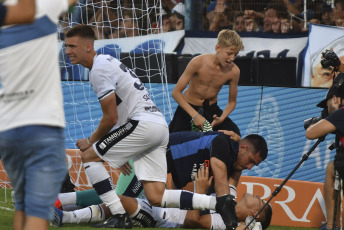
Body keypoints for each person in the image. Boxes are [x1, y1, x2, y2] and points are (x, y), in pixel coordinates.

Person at [64, 25, 243, 229]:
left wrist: (90, 141)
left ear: (88, 47)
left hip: (144, 125)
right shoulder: (109, 62)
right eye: (66, 46)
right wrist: (122, 147)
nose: (67, 51)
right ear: (218, 47)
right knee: (156, 195)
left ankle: (119, 215)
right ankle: (218, 202)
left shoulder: (98, 70)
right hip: (159, 124)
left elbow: (110, 117)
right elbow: (123, 110)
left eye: (72, 46)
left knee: (89, 157)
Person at [0, 0, 77, 230]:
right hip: (42, 126)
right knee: (37, 210)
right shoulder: (44, 7)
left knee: (23, 205)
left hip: (8, 128)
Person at [52, 167, 272, 230]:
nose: (259, 196)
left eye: (261, 202)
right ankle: (59, 201)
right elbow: (235, 170)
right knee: (115, 199)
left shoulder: (223, 223)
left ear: (254, 214)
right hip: (160, 201)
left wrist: (201, 190)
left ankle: (63, 214)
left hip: (159, 216)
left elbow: (193, 221)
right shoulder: (230, 199)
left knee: (117, 200)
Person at [169, 29, 243, 135]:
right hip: (188, 108)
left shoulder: (234, 71)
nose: (232, 58)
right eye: (229, 53)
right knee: (173, 143)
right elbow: (176, 93)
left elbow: (232, 102)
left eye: (235, 54)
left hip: (211, 110)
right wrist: (195, 116)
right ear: (217, 48)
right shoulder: (198, 62)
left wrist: (221, 118)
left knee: (234, 134)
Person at [305, 73, 344, 230]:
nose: (326, 109)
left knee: (334, 167)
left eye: (327, 104)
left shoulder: (341, 113)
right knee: (331, 167)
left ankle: (331, 225)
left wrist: (332, 115)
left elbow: (310, 133)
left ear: (335, 99)